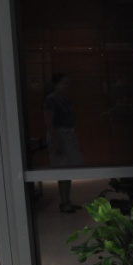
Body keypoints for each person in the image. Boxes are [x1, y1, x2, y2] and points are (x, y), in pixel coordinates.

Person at [43, 73, 83, 213]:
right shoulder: (51, 99)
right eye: (63, 83)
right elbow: (49, 122)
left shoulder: (65, 99)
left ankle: (67, 200)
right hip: (59, 136)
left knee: (68, 170)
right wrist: (56, 141)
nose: (66, 86)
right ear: (56, 84)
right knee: (62, 170)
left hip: (68, 135)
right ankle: (63, 202)